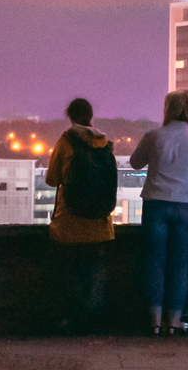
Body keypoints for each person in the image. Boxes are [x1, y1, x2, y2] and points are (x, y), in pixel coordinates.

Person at [131, 90, 188, 336]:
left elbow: (135, 162)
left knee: (155, 262)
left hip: (156, 203)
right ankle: (175, 321)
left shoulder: (153, 136)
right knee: (181, 264)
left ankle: (155, 320)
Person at [46, 98, 119, 335]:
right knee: (95, 273)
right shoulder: (105, 144)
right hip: (100, 224)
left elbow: (51, 180)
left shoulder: (66, 142)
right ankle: (94, 319)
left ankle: (73, 320)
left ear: (70, 116)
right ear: (91, 116)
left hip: (69, 224)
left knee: (69, 273)